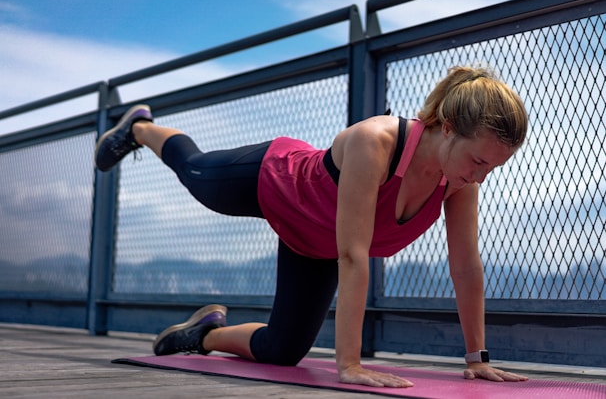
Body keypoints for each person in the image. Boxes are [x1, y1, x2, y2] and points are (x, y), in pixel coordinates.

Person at [95, 66, 529, 388]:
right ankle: (140, 127)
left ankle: (204, 334)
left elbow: (466, 267)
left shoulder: (459, 182)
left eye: (494, 167)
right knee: (196, 176)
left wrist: (476, 357)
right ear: (448, 128)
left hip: (314, 243)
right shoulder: (375, 142)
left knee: (282, 352)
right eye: (478, 161)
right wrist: (350, 364)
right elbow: (354, 256)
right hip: (276, 182)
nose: (481, 177)